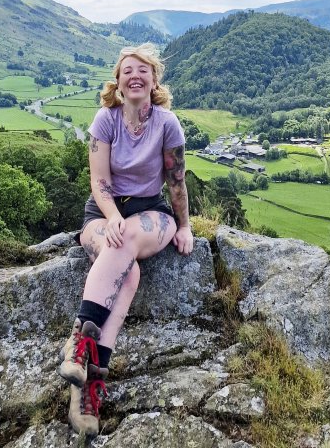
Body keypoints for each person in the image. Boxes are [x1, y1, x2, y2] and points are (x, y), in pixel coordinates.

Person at [57, 44, 193, 435]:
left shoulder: (167, 123)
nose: (134, 76)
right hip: (103, 213)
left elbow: (176, 182)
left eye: (143, 71)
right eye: (126, 71)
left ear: (154, 81)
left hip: (152, 212)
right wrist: (114, 216)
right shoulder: (105, 120)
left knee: (127, 239)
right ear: (117, 82)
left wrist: (184, 226)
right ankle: (90, 383)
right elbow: (99, 182)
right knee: (127, 273)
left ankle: (77, 344)